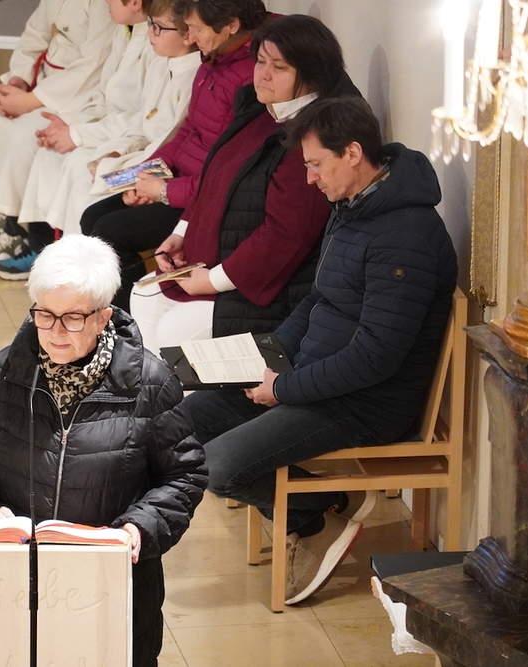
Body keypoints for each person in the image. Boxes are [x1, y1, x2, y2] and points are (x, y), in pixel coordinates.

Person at [185, 95, 459, 607]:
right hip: (315, 377)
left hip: (367, 403)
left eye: (315, 165)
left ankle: (313, 518)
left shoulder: (406, 235)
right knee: (184, 423)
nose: (309, 179)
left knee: (218, 467)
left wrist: (284, 388)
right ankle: (326, 505)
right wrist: (270, 356)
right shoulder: (352, 207)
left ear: (352, 153)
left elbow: (376, 357)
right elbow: (318, 300)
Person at [0, 235, 207, 666]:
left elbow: (184, 475)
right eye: (44, 315)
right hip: (16, 588)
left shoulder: (150, 383)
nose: (55, 332)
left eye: (72, 318)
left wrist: (138, 528)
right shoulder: (7, 372)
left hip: (113, 589)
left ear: (103, 317)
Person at [128, 14, 360, 349]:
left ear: (311, 75)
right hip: (218, 263)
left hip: (272, 289)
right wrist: (181, 234)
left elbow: (285, 236)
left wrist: (212, 280)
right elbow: (215, 178)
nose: (262, 74)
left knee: (174, 330)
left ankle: (186, 387)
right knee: (143, 295)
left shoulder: (313, 138)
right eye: (260, 61)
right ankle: (157, 385)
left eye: (279, 67)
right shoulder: (259, 108)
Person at [80, 0, 267, 308]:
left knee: (110, 233)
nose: (191, 37)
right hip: (179, 181)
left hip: (202, 199)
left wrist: (165, 191)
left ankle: (125, 319)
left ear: (231, 26)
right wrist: (146, 176)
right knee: (92, 217)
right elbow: (188, 129)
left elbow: (228, 171)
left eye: (196, 29)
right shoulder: (213, 60)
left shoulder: (249, 79)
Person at [0, 0, 159, 280]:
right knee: (50, 149)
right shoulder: (126, 32)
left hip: (135, 147)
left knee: (76, 170)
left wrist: (78, 134)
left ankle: (74, 268)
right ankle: (39, 245)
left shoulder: (158, 48)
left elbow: (147, 123)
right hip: (108, 126)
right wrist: (70, 126)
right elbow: (104, 96)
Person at [11, 0, 201, 245]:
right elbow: (142, 120)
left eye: (158, 27)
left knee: (86, 183)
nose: (150, 33)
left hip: (152, 165)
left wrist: (120, 167)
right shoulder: (166, 62)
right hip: (134, 148)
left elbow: (167, 142)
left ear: (188, 35)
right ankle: (45, 248)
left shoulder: (190, 77)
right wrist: (110, 151)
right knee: (68, 162)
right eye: (150, 24)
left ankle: (72, 258)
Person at [0, 0, 116, 243]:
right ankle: (7, 211)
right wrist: (20, 79)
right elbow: (35, 34)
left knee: (24, 136)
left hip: (77, 96)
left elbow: (93, 66)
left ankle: (18, 231)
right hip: (42, 83)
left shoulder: (103, 4)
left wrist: (29, 102)